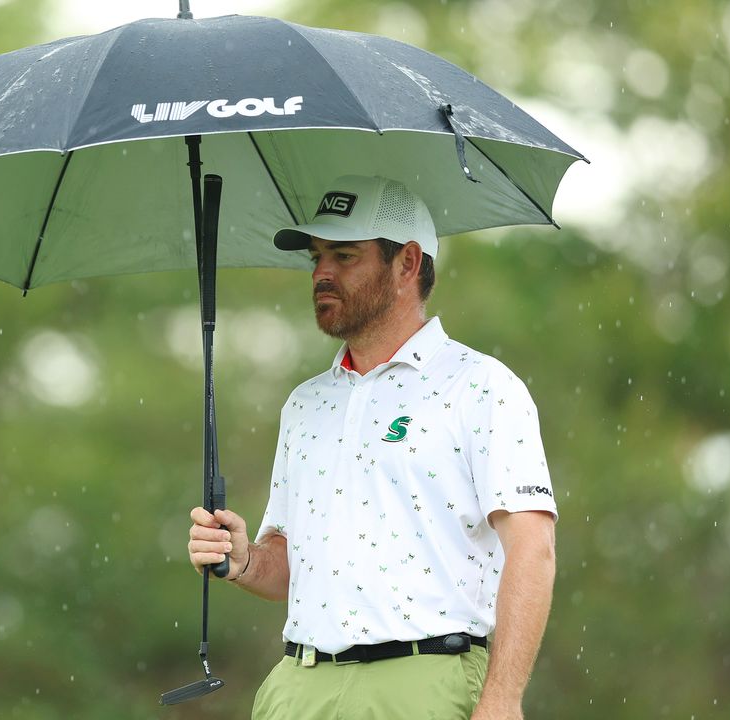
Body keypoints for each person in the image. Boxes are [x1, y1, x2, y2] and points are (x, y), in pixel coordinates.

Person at [187, 175, 558, 720]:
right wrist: (242, 561)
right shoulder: (305, 403)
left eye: (343, 255)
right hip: (298, 687)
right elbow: (292, 568)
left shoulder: (481, 386)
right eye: (316, 257)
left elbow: (533, 549)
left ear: (407, 264)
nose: (320, 274)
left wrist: (502, 699)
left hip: (424, 682)